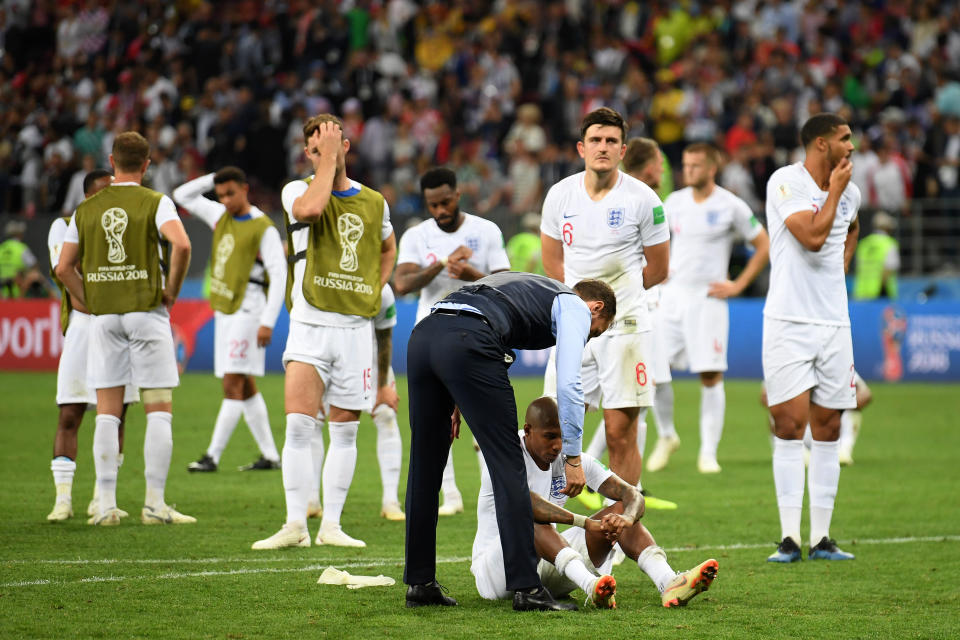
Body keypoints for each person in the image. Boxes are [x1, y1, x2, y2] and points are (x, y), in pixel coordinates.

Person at [404, 272, 615, 611]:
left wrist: (456, 395)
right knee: (509, 467)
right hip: (469, 337)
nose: (589, 338)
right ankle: (527, 588)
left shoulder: (523, 285)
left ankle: (420, 582)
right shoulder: (575, 306)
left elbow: (468, 309)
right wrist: (573, 458)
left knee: (425, 467)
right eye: (596, 331)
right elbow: (569, 385)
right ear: (595, 308)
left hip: (426, 334)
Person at [252, 114, 396, 549]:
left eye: (329, 145)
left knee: (346, 429)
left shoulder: (374, 202)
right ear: (309, 154)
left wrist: (377, 284)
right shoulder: (297, 190)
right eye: (314, 149)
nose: (321, 154)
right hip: (310, 322)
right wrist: (326, 162)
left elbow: (388, 245)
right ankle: (295, 525)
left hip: (354, 328)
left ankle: (331, 525)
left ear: (347, 146)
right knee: (298, 425)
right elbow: (312, 210)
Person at [56, 131, 195, 526]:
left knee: (106, 412)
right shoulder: (155, 201)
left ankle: (104, 504)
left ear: (111, 161)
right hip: (146, 310)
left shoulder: (87, 209)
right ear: (147, 165)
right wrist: (171, 291)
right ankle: (154, 504)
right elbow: (181, 245)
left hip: (105, 317)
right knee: (158, 409)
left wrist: (91, 301)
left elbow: (64, 267)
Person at [471, 397, 718, 609]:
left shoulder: (571, 457)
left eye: (563, 437)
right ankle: (590, 585)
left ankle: (669, 582)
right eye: (549, 437)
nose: (558, 445)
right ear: (528, 430)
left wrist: (626, 519)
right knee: (530, 519)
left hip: (549, 563)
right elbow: (528, 505)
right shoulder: (507, 454)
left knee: (619, 509)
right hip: (497, 574)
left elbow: (633, 495)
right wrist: (585, 523)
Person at [540, 107, 670, 495]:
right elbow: (552, 263)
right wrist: (579, 310)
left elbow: (659, 269)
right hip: (573, 328)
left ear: (623, 150)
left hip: (626, 327)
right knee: (552, 428)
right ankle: (553, 525)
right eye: (596, 140)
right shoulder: (560, 195)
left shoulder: (643, 199)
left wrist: (615, 307)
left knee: (621, 431)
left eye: (611, 141)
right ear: (581, 147)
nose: (603, 147)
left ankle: (621, 528)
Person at [763, 113, 860, 563]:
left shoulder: (852, 193)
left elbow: (850, 227)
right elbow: (813, 238)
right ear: (821, 144)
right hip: (788, 322)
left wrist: (842, 269)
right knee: (788, 424)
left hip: (834, 323)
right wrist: (835, 191)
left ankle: (821, 538)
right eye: (844, 139)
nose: (852, 146)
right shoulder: (786, 181)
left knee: (830, 427)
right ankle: (788, 538)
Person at [393, 166, 510, 516]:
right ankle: (451, 496)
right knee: (434, 422)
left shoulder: (486, 230)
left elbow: (507, 283)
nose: (441, 211)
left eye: (446, 202)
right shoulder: (416, 235)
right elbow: (402, 283)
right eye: (433, 205)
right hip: (430, 335)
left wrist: (472, 273)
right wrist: (442, 264)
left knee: (483, 420)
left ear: (458, 195)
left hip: (478, 334)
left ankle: (490, 498)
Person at [651, 142, 770, 473]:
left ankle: (708, 453)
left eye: (695, 166)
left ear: (711, 168)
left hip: (708, 299)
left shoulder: (730, 205)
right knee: (656, 370)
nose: (688, 170)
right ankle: (667, 435)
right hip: (672, 295)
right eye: (686, 165)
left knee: (710, 374)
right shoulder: (673, 202)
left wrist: (739, 284)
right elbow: (650, 239)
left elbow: (763, 244)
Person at [578, 137, 677, 510]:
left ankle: (625, 491)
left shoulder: (648, 203)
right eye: (659, 165)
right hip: (618, 316)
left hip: (637, 314)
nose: (663, 173)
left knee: (632, 408)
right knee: (614, 410)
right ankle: (597, 478)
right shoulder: (616, 200)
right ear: (646, 164)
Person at [172, 167, 286, 473]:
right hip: (226, 310)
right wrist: (214, 177)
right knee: (245, 384)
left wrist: (268, 321)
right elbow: (181, 195)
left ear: (245, 189)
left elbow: (279, 275)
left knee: (232, 382)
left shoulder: (264, 228)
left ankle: (212, 456)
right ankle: (270, 456)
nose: (225, 200)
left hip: (249, 312)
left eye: (230, 193)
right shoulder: (220, 215)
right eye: (220, 194)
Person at [46, 169, 139, 522]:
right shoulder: (63, 226)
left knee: (117, 415)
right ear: (87, 197)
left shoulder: (122, 226)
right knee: (70, 413)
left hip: (119, 327)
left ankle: (103, 496)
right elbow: (66, 276)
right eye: (102, 194)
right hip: (84, 329)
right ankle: (63, 499)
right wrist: (101, 306)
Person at [307, 283, 405, 522]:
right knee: (313, 421)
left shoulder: (380, 289)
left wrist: (382, 386)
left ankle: (390, 501)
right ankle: (310, 501)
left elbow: (385, 337)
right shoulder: (321, 280)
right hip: (326, 357)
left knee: (386, 415)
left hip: (369, 357)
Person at [853, 210, 899, 300]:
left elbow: (858, 267)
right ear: (887, 228)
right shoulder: (889, 244)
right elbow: (888, 270)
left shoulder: (863, 244)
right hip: (881, 295)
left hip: (861, 293)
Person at [0, 219, 43, 298]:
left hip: (2, 289)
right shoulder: (21, 248)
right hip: (18, 288)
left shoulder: (1, 248)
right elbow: (34, 266)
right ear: (19, 234)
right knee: (35, 275)